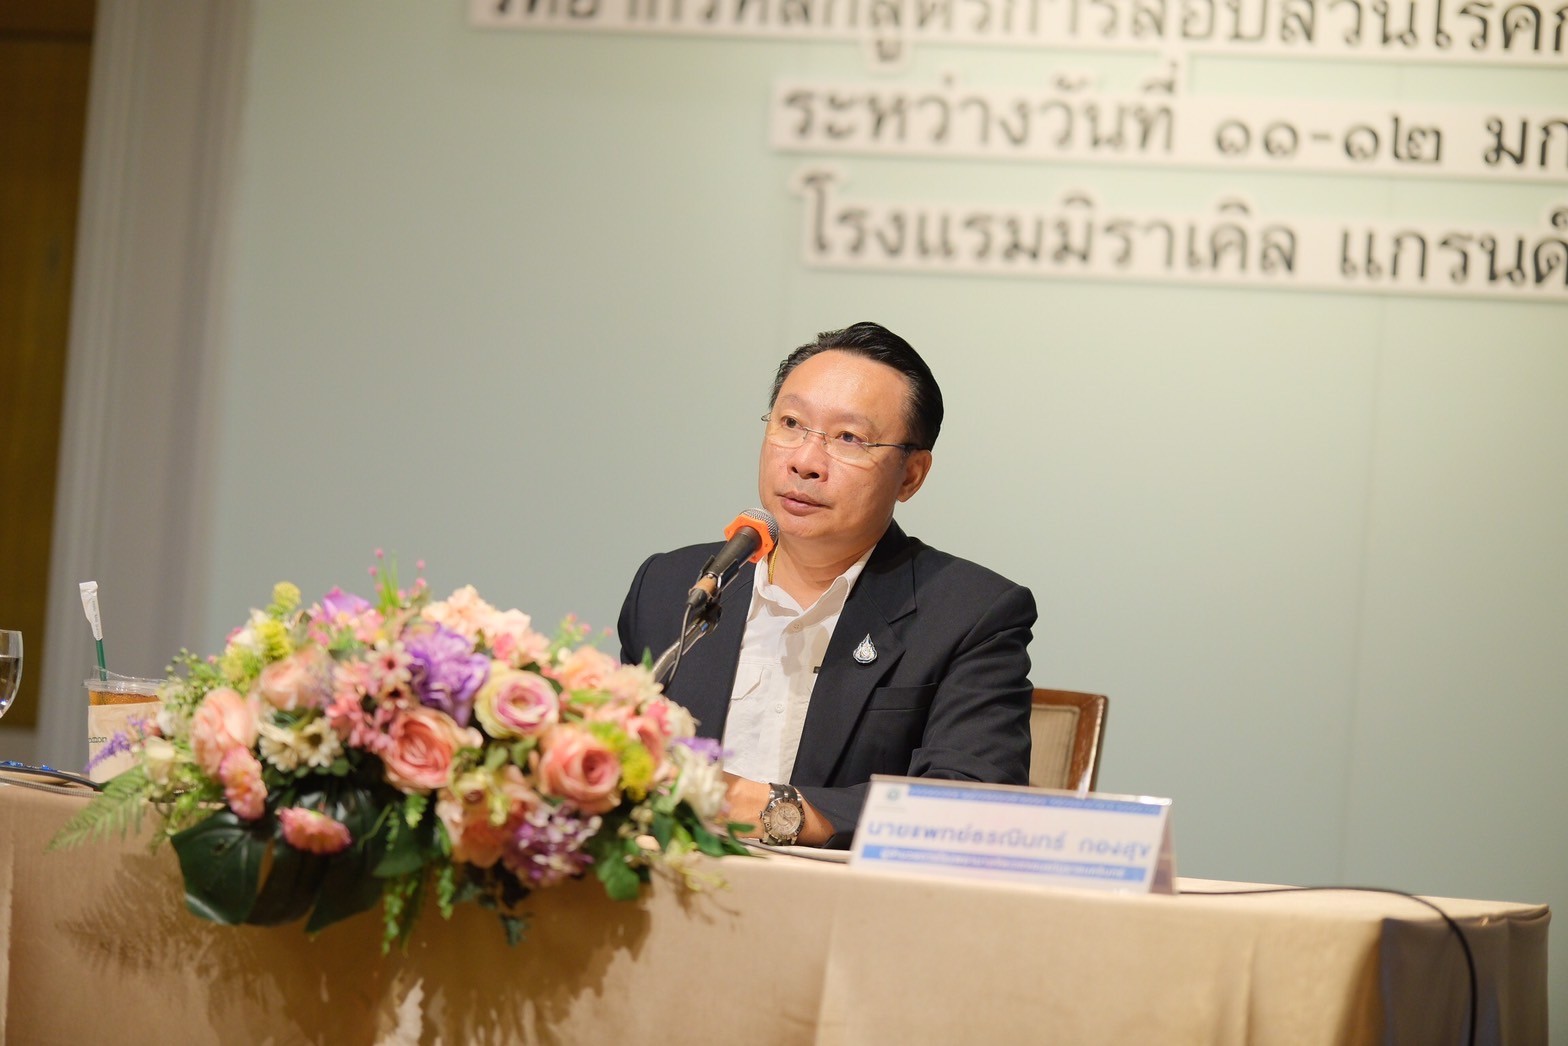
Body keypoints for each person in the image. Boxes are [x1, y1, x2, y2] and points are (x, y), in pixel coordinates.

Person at [618, 322, 1034, 848]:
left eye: (848, 438)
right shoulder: (675, 587)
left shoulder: (970, 614)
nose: (805, 461)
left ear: (911, 475)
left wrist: (771, 809)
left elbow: (971, 802)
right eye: (791, 423)